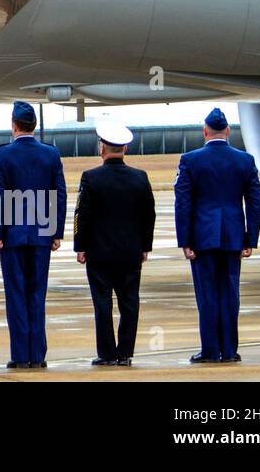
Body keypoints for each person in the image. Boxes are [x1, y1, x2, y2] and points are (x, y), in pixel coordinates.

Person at [175, 107, 260, 363]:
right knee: (230, 293)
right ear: (228, 131)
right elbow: (254, 201)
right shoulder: (245, 160)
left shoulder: (190, 160)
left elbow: (183, 203)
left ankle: (211, 350)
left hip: (202, 237)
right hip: (233, 235)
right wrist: (250, 238)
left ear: (205, 132)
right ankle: (230, 349)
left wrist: (185, 240)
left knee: (207, 295)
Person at [0, 100, 66, 369]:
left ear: (14, 125)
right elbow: (59, 194)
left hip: (12, 235)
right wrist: (56, 231)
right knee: (37, 293)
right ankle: (38, 355)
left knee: (16, 294)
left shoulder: (1, 155)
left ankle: (20, 355)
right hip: (42, 235)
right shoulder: (50, 154)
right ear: (34, 125)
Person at [73, 121, 155, 367]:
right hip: (130, 252)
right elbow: (149, 215)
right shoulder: (140, 178)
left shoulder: (91, 178)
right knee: (129, 303)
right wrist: (145, 247)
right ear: (125, 149)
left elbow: (82, 215)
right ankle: (125, 352)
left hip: (100, 253)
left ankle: (107, 353)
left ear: (102, 148)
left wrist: (81, 246)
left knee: (103, 304)